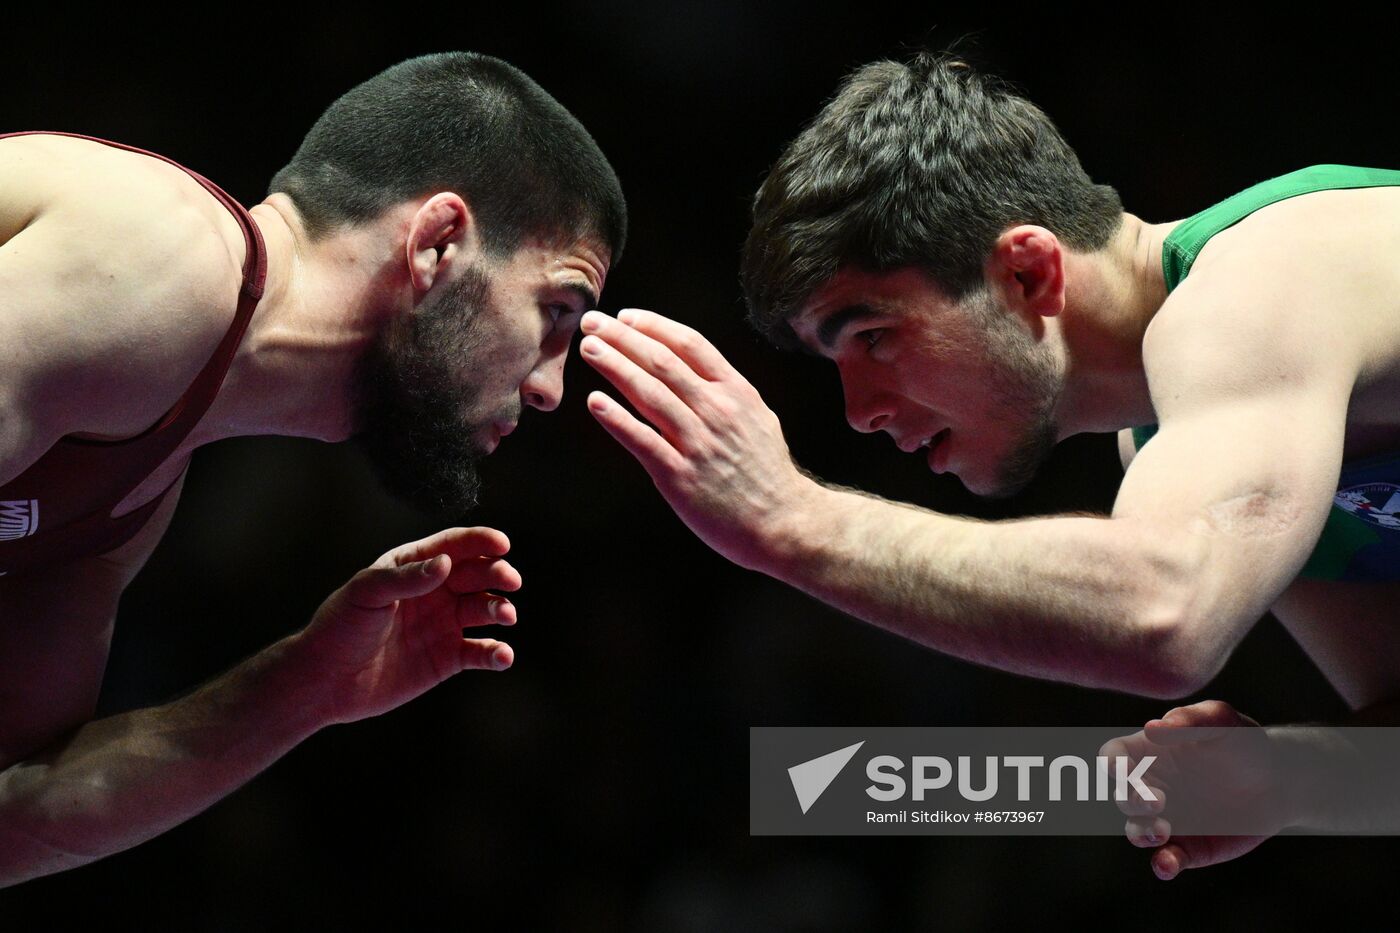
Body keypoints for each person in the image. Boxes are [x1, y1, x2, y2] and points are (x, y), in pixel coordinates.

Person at [575, 52, 1400, 878]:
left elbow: (1165, 616)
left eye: (873, 337)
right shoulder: (1177, 438)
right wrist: (1288, 778)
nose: (860, 410)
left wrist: (792, 517)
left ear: (1026, 272)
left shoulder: (1257, 289)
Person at [0, 51, 625, 886]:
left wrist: (306, 687)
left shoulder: (144, 477)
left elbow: (17, 820)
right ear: (439, 245)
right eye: (556, 312)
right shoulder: (157, 262)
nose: (551, 388)